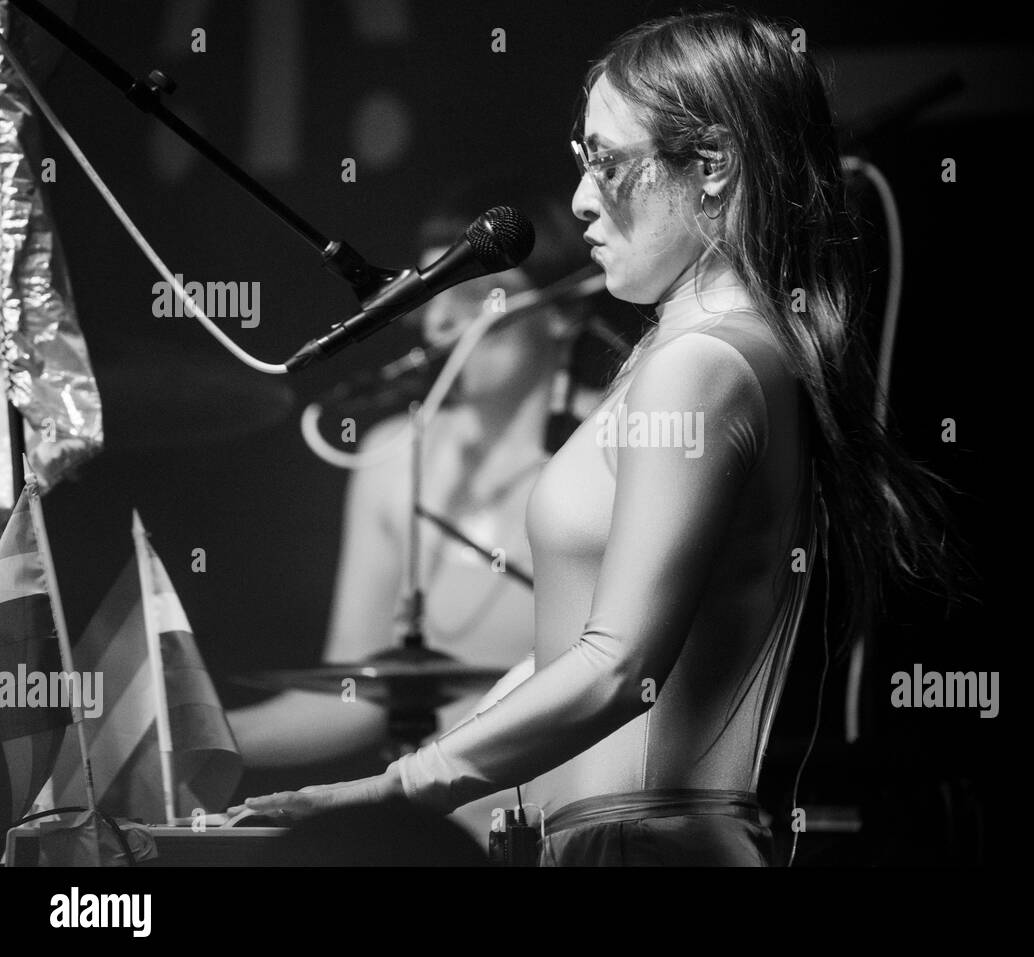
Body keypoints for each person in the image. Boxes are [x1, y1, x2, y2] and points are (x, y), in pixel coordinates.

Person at [238, 9, 965, 866]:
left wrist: (404, 786)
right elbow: (575, 647)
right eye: (582, 163)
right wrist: (481, 779)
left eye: (608, 164)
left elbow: (620, 663)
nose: (581, 199)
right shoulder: (696, 348)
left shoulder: (701, 364)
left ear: (715, 167)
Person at [226, 175, 603, 851]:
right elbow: (355, 696)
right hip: (435, 836)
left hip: (577, 826)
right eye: (432, 293)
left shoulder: (608, 445)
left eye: (474, 293)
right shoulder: (392, 456)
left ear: (563, 309)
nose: (442, 320)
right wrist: (204, 736)